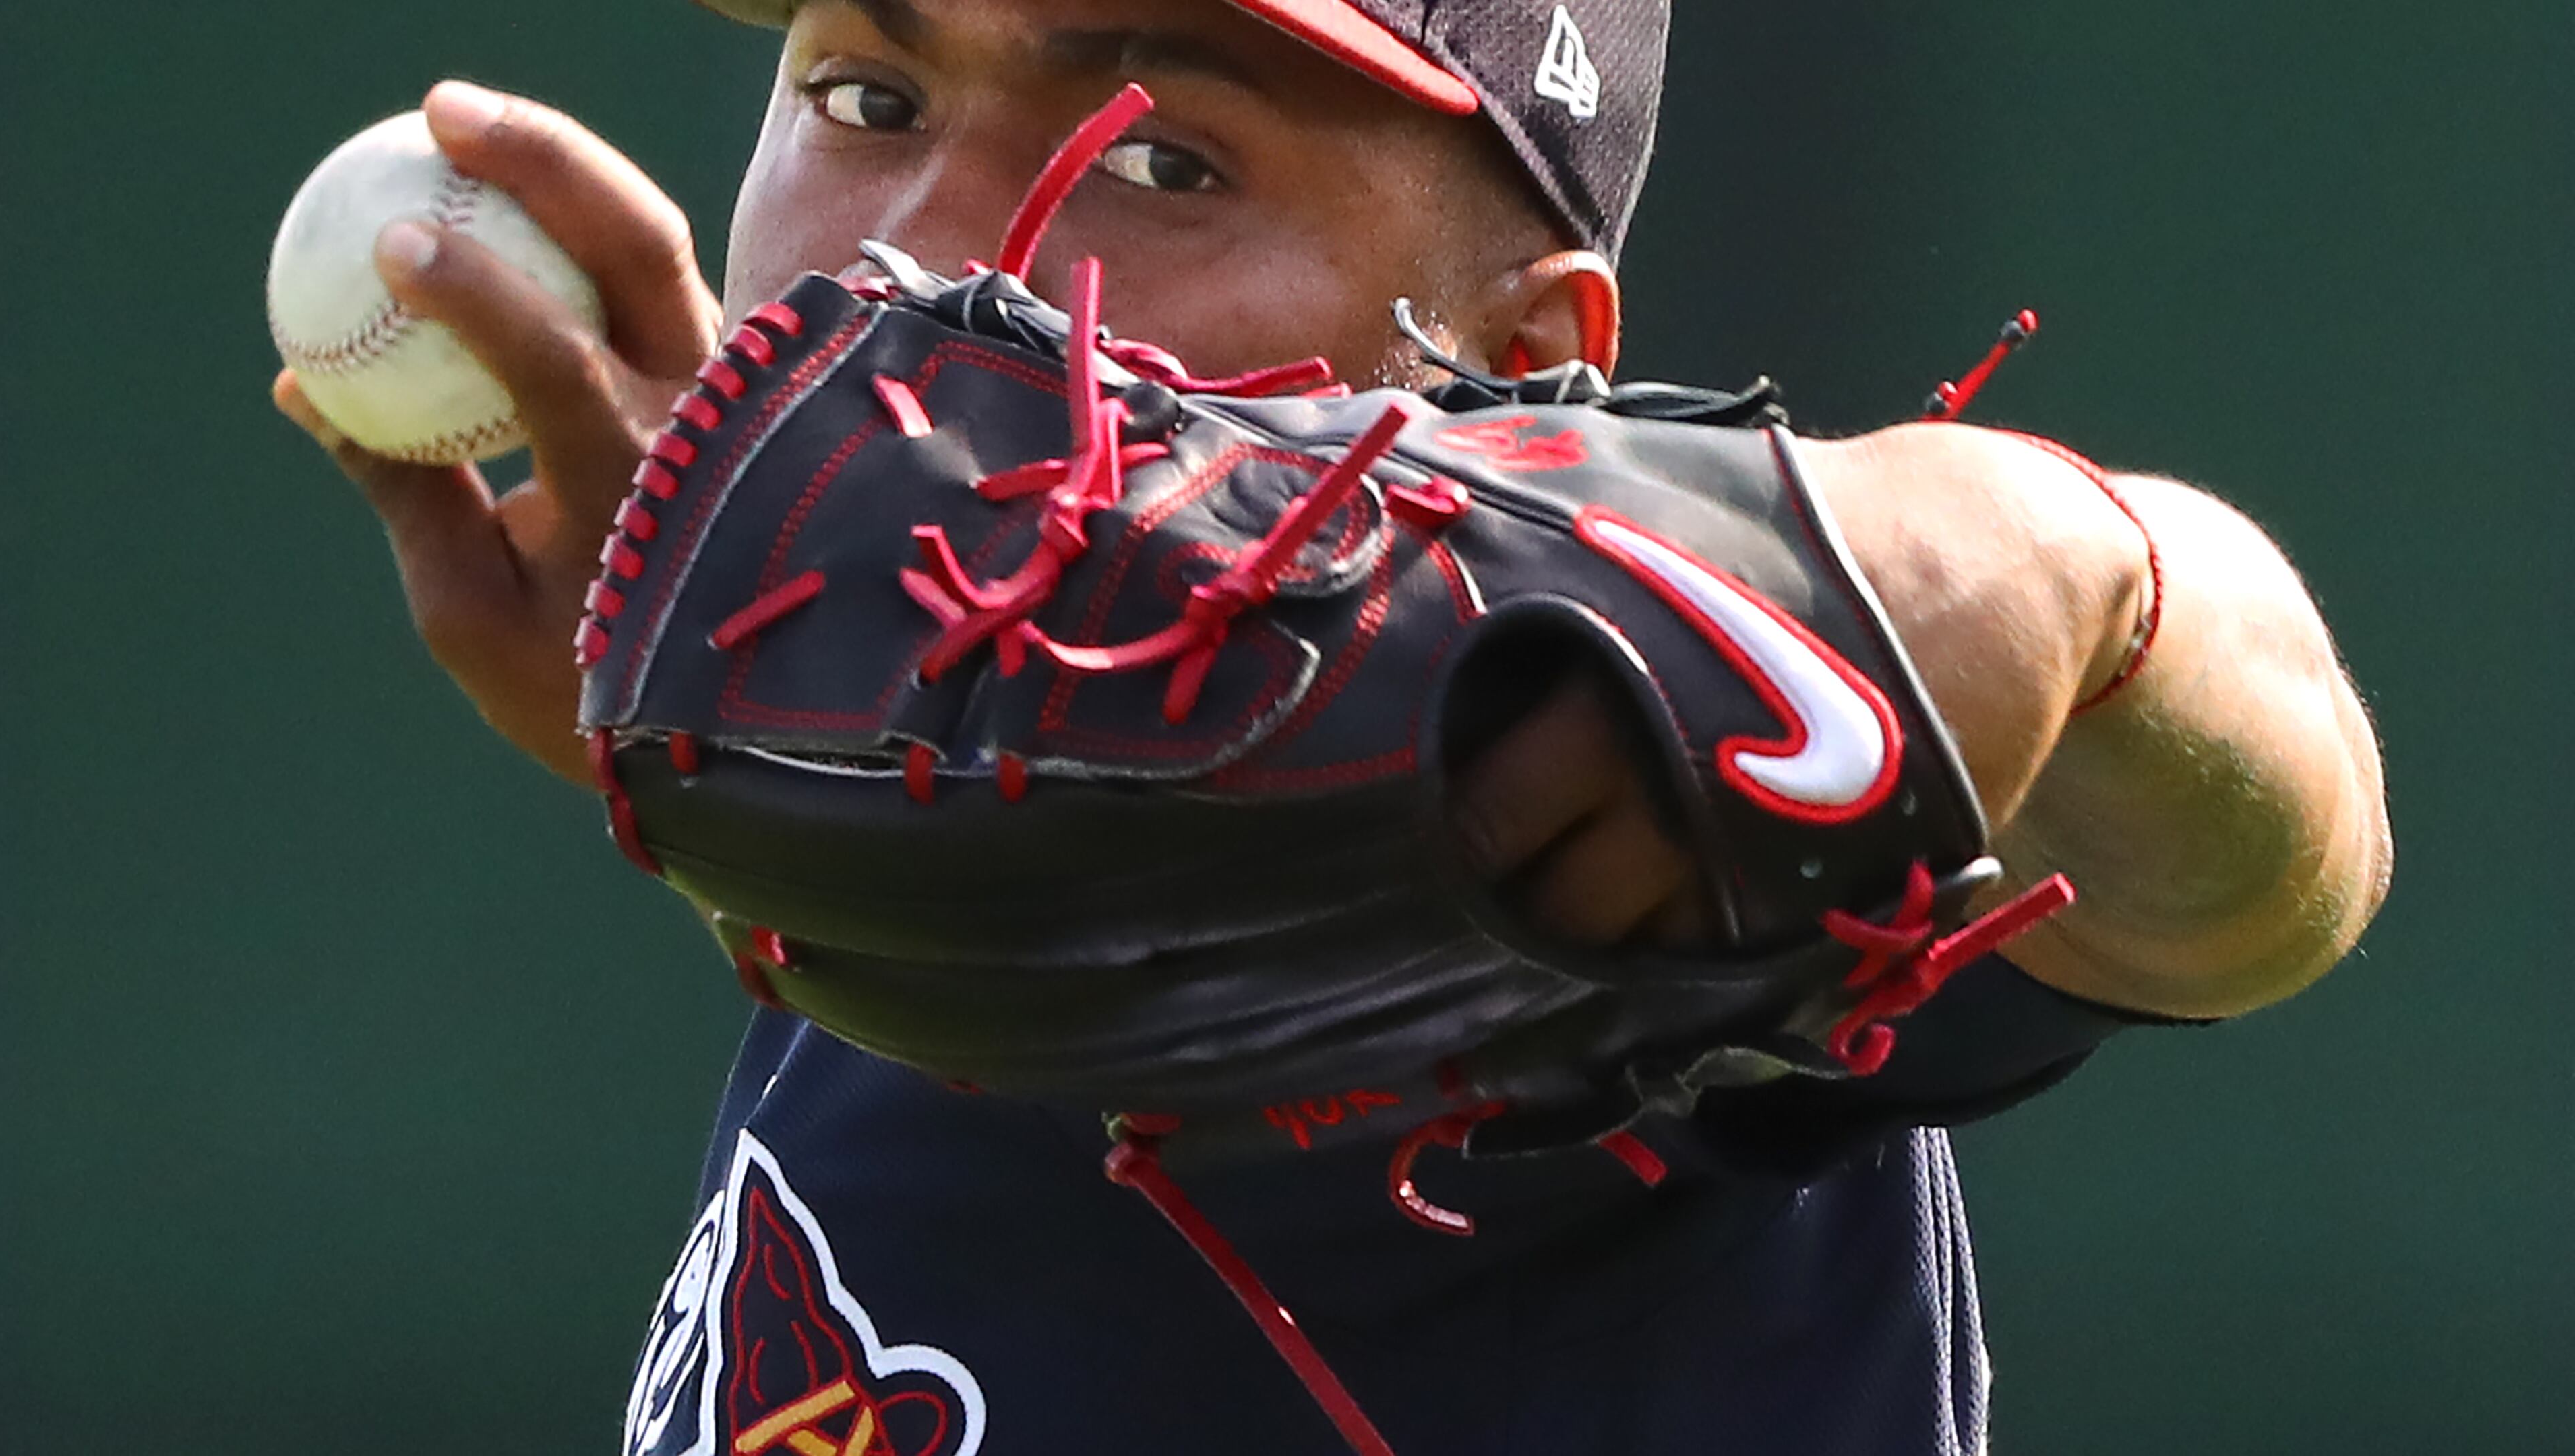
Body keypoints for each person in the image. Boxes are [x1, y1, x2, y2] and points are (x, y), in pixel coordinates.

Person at [271, 2, 2392, 1451]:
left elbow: (2238, 877)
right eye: (869, 100)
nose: (914, 262)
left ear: (1511, 364)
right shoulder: (896, 798)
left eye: (1166, 158)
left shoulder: (1565, 833)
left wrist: (2057, 565)